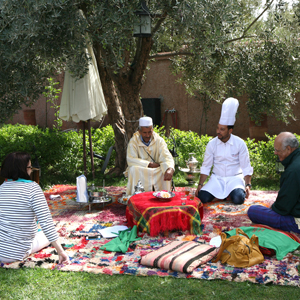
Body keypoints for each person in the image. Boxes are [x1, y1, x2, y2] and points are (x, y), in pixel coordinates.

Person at [0, 152, 70, 264]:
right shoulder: (32, 188)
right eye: (29, 167)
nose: (31, 170)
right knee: (47, 235)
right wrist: (61, 251)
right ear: (23, 169)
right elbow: (46, 222)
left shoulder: (2, 188)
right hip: (15, 253)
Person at [196, 98, 253, 205]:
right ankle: (224, 194)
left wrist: (248, 185)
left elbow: (246, 166)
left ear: (230, 131)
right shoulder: (212, 144)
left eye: (222, 129)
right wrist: (200, 184)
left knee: (238, 199)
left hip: (234, 178)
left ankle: (230, 194)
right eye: (218, 128)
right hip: (217, 179)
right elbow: (206, 165)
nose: (218, 131)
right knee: (202, 197)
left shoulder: (240, 143)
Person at [248, 132, 300, 233]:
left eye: (277, 150)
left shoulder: (293, 170)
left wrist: (273, 207)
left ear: (289, 149)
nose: (275, 153)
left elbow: (283, 208)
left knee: (253, 211)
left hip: (296, 221)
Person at [125, 117, 175, 195]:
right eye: (145, 132)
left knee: (164, 170)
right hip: (142, 169)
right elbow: (131, 159)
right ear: (140, 131)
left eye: (149, 132)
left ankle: (163, 195)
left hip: (156, 169)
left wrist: (170, 168)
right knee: (133, 169)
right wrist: (149, 164)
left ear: (152, 130)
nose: (148, 135)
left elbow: (166, 155)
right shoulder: (133, 141)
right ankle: (137, 195)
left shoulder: (159, 140)